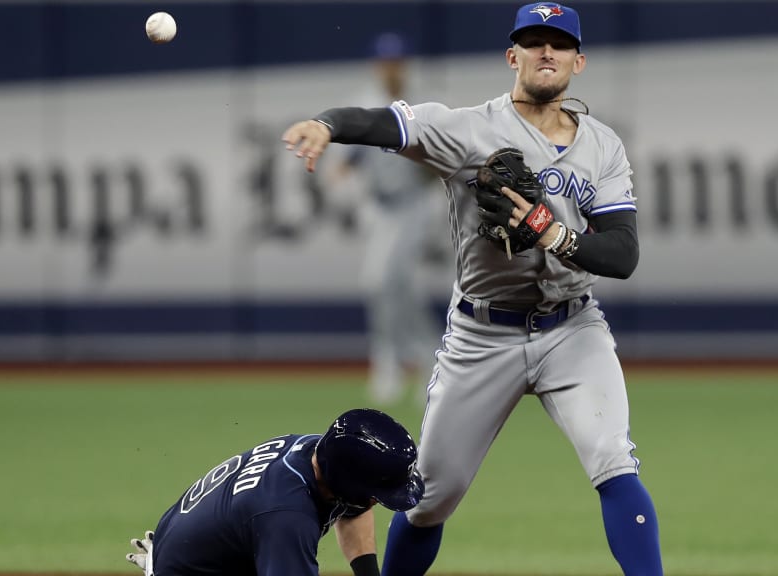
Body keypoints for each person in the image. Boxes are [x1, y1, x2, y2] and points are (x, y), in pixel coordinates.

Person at [281, 3, 664, 575]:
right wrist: (329, 125)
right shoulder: (468, 129)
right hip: (484, 335)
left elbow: (624, 255)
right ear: (513, 56)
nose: (546, 52)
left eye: (558, 44)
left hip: (573, 328)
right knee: (431, 497)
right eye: (533, 42)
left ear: (577, 61)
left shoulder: (603, 147)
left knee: (614, 460)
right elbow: (388, 124)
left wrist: (551, 232)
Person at [123, 408, 424, 576]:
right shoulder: (287, 516)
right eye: (376, 492)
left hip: (190, 542)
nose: (376, 500)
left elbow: (354, 509)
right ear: (349, 481)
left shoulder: (316, 451)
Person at [343, 31, 445, 406]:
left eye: (396, 62)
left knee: (387, 280)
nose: (390, 69)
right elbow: (353, 155)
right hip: (379, 208)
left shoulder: (420, 105)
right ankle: (419, 361)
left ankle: (402, 363)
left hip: (417, 205)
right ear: (376, 66)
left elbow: (441, 160)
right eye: (385, 62)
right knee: (389, 286)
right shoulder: (366, 101)